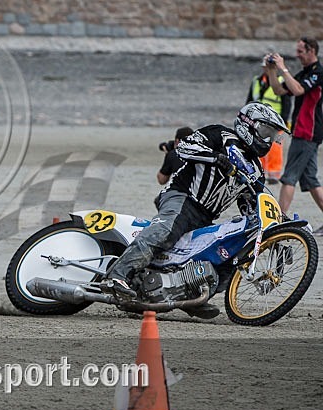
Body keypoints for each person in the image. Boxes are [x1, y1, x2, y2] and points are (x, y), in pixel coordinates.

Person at [101, 102, 290, 319]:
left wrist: (275, 223)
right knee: (164, 232)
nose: (268, 140)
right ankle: (116, 276)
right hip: (182, 197)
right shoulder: (219, 135)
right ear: (250, 124)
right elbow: (183, 148)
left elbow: (251, 202)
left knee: (228, 256)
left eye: (273, 135)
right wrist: (217, 159)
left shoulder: (256, 170)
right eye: (266, 132)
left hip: (205, 216)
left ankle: (189, 296)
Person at [264, 38, 323, 234]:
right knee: (311, 181)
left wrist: (283, 69)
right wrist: (271, 70)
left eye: (300, 51)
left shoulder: (317, 73)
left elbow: (298, 89)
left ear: (311, 50)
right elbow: (279, 90)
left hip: (308, 132)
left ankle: (278, 221)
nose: (297, 55)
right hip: (301, 131)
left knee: (289, 177)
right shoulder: (304, 73)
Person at [247, 60, 293, 184]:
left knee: (275, 149)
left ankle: (273, 175)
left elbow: (286, 104)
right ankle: (259, 172)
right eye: (265, 67)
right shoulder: (256, 81)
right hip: (259, 121)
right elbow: (250, 101)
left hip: (275, 121)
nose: (266, 69)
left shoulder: (281, 83)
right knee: (257, 145)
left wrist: (282, 122)